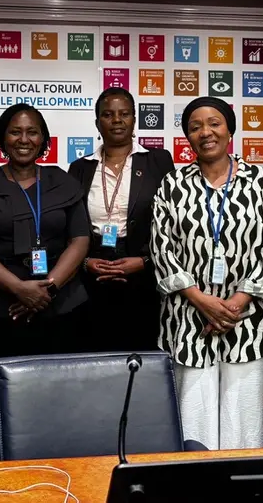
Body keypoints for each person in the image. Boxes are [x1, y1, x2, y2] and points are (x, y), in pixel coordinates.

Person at [150, 96, 263, 450]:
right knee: (194, 419)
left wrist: (237, 303)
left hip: (249, 320)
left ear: (229, 129)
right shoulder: (172, 184)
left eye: (214, 123)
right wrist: (200, 299)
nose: (205, 132)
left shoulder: (260, 181)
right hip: (188, 318)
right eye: (195, 127)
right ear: (187, 137)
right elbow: (161, 248)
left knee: (244, 419)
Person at [0, 104, 90, 356]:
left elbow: (80, 240)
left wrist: (46, 290)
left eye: (32, 132)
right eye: (15, 132)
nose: (24, 140)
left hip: (60, 302)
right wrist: (19, 288)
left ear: (43, 139)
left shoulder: (63, 181)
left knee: (58, 384)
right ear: (1, 138)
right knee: (2, 387)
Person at [68, 87, 175, 352]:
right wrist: (85, 262)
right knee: (95, 347)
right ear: (97, 122)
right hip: (93, 268)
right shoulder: (81, 167)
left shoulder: (157, 160)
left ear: (134, 119)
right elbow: (71, 223)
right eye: (108, 114)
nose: (117, 120)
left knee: (141, 348)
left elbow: (172, 221)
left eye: (124, 114)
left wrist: (145, 261)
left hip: (143, 270)